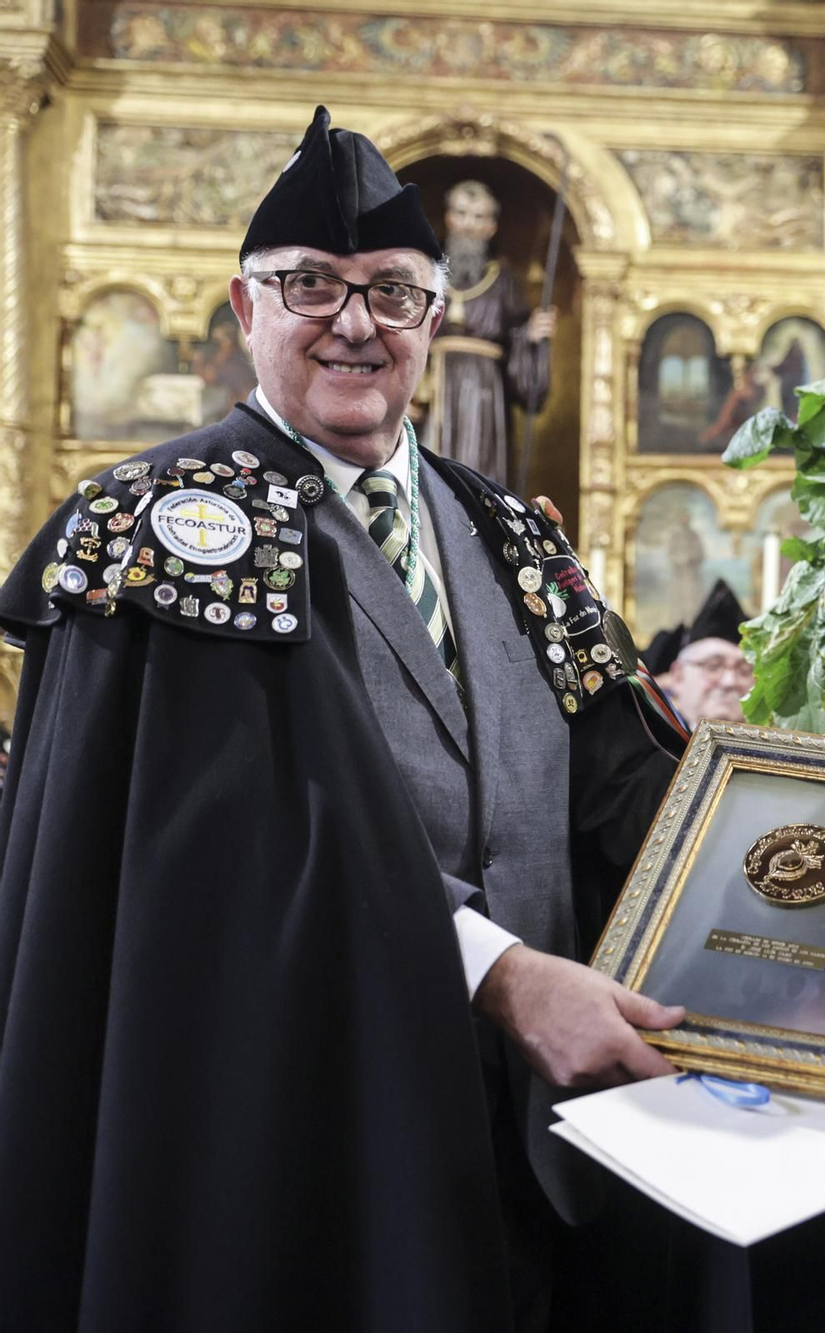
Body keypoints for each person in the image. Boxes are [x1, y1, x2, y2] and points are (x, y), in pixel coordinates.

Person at [0, 107, 683, 1332]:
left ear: (438, 317)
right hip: (293, 1149)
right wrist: (498, 975)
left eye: (392, 293)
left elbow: (627, 789)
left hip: (544, 1155)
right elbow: (226, 850)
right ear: (240, 305)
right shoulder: (163, 530)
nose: (355, 322)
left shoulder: (510, 534)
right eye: (309, 285)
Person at [419, 178, 555, 487]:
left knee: (480, 469)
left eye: (479, 217)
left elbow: (519, 344)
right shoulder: (425, 273)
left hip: (484, 392)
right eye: (463, 214)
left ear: (491, 227)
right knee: (429, 471)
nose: (469, 225)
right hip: (432, 386)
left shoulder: (503, 281)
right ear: (450, 218)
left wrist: (531, 336)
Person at [656, 579, 752, 726]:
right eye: (713, 667)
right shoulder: (653, 741)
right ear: (678, 676)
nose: (730, 681)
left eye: (744, 670)